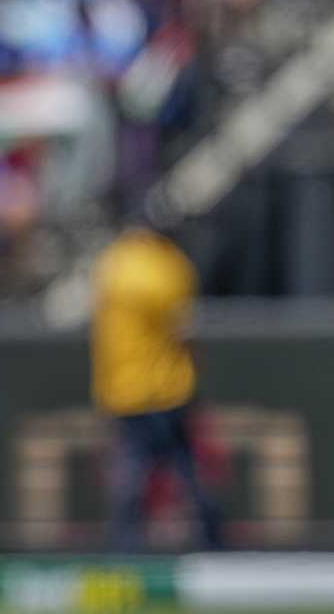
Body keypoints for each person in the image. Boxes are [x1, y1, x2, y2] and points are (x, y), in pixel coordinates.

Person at [91, 225, 222, 552]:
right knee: (188, 473)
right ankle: (213, 543)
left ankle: (125, 550)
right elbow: (184, 329)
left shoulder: (113, 262)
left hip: (122, 390)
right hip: (167, 390)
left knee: (132, 476)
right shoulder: (169, 265)